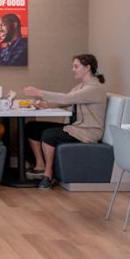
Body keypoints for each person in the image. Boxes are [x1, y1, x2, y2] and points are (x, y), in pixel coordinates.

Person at [23, 53, 108, 189]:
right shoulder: (81, 87)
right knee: (32, 127)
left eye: (76, 66)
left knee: (49, 135)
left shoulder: (94, 88)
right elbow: (64, 101)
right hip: (77, 128)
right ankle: (40, 166)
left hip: (88, 132)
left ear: (87, 68)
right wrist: (45, 105)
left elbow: (67, 98)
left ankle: (48, 174)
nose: (73, 69)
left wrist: (39, 92)